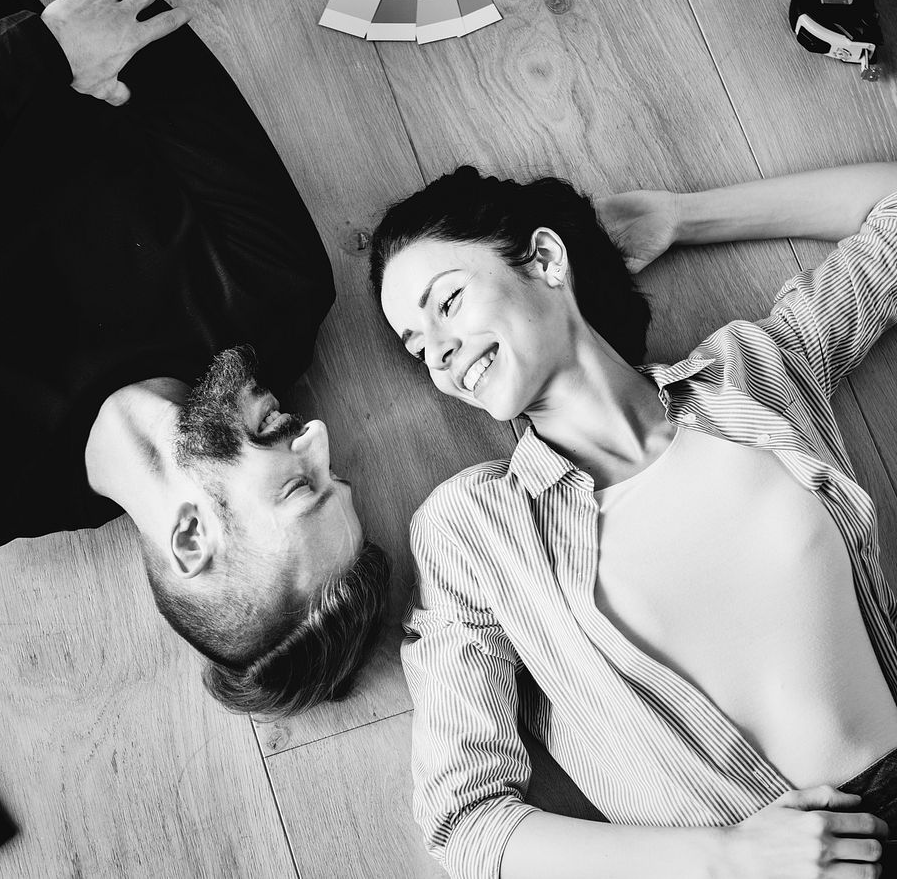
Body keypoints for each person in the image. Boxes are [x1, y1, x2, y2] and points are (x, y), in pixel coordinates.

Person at [0, 0, 389, 717]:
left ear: (191, 539)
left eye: (302, 487)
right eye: (334, 473)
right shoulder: (278, 294)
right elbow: (144, 32)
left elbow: (86, 48)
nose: (317, 437)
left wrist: (47, 63)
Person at [370, 162, 897, 878]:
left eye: (448, 302)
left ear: (546, 259)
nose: (438, 349)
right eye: (415, 343)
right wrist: (727, 860)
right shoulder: (473, 530)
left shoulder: (751, 372)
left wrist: (685, 217)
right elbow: (467, 825)